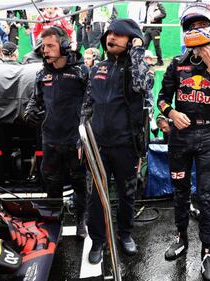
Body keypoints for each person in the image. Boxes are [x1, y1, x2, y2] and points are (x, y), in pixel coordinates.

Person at [157, 2, 210, 281]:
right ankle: (181, 238)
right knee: (180, 193)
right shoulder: (177, 65)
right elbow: (162, 98)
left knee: (206, 197)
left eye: (201, 25)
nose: (196, 30)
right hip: (180, 139)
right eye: (191, 26)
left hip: (208, 138)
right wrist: (171, 112)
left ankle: (207, 251)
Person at [80, 18, 154, 264]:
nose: (111, 37)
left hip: (127, 145)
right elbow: (87, 105)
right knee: (96, 195)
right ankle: (98, 240)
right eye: (110, 33)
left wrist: (136, 52)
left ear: (131, 39)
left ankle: (125, 234)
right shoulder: (97, 67)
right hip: (98, 144)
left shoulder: (140, 67)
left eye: (119, 35)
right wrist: (83, 139)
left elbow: (141, 85)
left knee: (127, 193)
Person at [24, 26, 89, 240]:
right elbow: (36, 99)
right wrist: (29, 111)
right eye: (43, 46)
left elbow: (92, 104)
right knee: (52, 185)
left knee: (80, 183)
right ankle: (55, 225)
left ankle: (82, 222)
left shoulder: (81, 72)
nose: (46, 50)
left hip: (76, 141)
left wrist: (84, 133)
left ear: (64, 46)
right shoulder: (42, 74)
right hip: (50, 140)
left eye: (50, 45)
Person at [142, 2, 166, 66]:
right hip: (148, 28)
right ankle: (141, 61)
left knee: (156, 46)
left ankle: (160, 62)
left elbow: (164, 14)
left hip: (155, 29)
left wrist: (155, 18)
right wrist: (144, 28)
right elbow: (146, 17)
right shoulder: (147, 5)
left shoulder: (159, 4)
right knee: (144, 45)